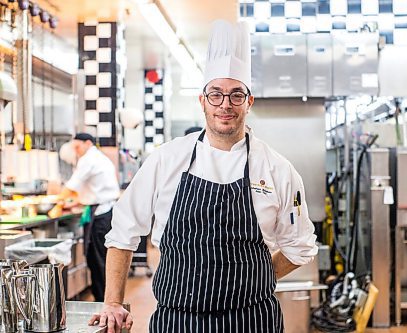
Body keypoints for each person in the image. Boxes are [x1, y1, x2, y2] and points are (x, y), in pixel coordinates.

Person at [90, 20, 318, 332]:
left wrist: (256, 281)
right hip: (178, 320)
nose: (226, 104)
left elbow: (300, 247)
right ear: (203, 101)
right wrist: (113, 302)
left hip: (252, 320)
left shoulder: (277, 170)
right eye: (216, 94)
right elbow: (123, 233)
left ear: (249, 102)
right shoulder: (165, 160)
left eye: (237, 95)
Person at [57, 133, 120, 302]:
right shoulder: (98, 157)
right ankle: (105, 300)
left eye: (77, 147)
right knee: (100, 259)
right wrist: (74, 202)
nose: (76, 151)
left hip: (100, 216)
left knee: (97, 260)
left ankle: (103, 302)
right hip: (105, 212)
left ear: (87, 143)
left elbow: (71, 187)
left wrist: (56, 202)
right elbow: (91, 190)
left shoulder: (89, 159)